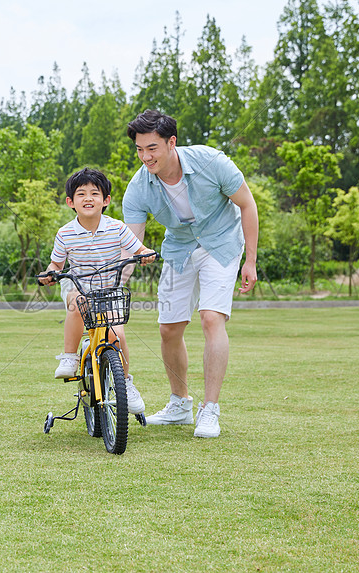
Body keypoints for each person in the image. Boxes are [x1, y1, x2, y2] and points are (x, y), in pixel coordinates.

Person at [121, 109, 258, 438]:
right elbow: (132, 245)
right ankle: (180, 404)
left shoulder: (211, 162)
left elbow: (247, 204)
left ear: (171, 143)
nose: (145, 157)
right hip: (180, 249)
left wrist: (250, 261)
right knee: (168, 329)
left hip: (222, 243)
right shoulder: (138, 188)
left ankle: (209, 410)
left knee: (212, 318)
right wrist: (114, 282)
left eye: (152, 148)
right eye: (139, 149)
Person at [39, 168, 156, 414]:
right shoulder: (65, 233)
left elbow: (140, 249)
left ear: (106, 200)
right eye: (81, 194)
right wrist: (50, 274)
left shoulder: (118, 228)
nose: (88, 198)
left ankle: (125, 383)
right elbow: (56, 265)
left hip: (108, 288)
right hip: (78, 284)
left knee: (118, 336)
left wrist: (145, 255)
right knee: (77, 302)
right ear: (71, 202)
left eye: (95, 193)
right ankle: (70, 356)